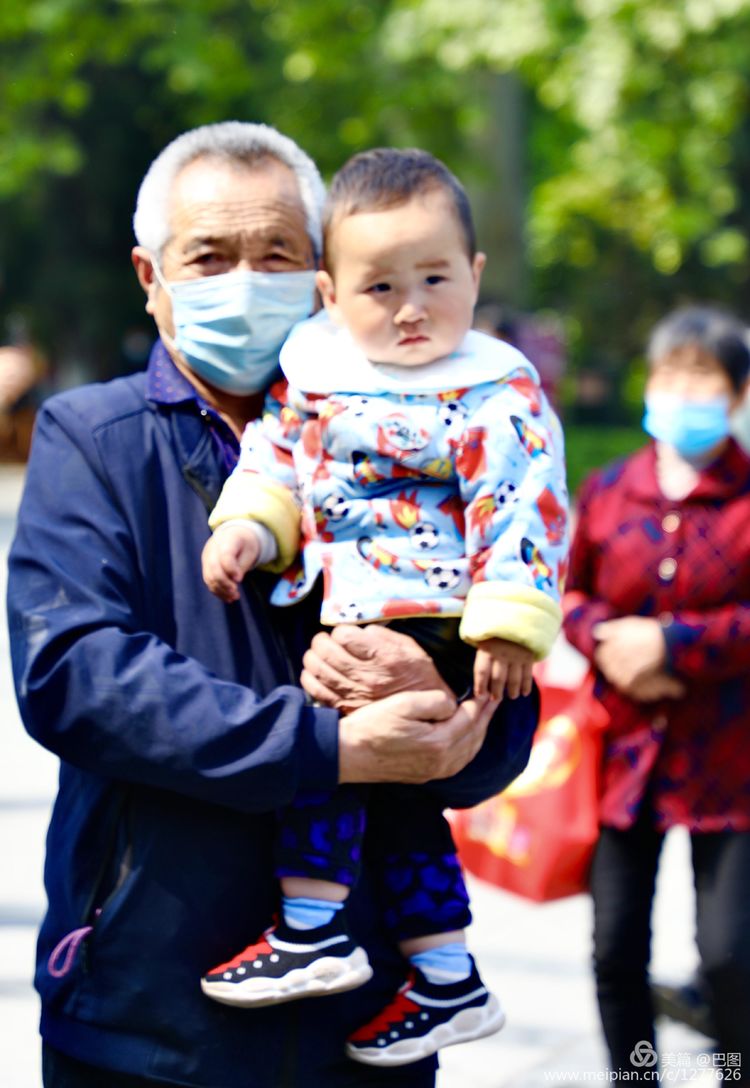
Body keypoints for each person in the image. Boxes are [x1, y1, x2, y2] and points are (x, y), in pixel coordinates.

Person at [6, 120, 541, 1088]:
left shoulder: (437, 435)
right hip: (145, 1009)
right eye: (210, 257)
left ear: (322, 277)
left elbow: (501, 720)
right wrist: (327, 747)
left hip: (366, 1022)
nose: (246, 283)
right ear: (151, 276)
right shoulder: (94, 437)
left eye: (278, 254)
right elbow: (74, 677)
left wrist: (444, 687)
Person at [199, 147, 568, 1066]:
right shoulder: (319, 373)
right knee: (397, 805)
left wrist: (509, 623)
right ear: (331, 294)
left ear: (474, 274)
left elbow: (525, 503)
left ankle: (312, 929)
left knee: (331, 762)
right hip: (356, 610)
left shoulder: (490, 390)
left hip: (448, 619)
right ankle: (446, 974)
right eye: (380, 287)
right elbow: (276, 455)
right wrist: (247, 526)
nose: (411, 308)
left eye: (435, 279)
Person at [563, 305, 750, 1077]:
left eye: (702, 377)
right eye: (670, 374)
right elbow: (569, 595)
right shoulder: (610, 491)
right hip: (624, 758)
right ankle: (634, 1074)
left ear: (738, 393)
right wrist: (608, 642)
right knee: (615, 950)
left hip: (731, 760)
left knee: (731, 956)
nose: (683, 392)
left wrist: (673, 645)